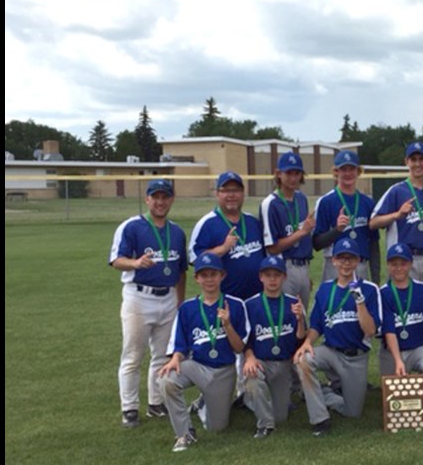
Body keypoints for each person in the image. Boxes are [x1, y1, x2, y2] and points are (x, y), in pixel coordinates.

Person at [109, 179, 188, 428]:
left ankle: (156, 403)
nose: (161, 201)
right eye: (156, 197)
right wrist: (135, 263)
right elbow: (115, 260)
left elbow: (182, 270)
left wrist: (180, 302)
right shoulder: (132, 226)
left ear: (172, 199)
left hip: (167, 297)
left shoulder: (176, 232)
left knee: (161, 356)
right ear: (147, 199)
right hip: (139, 297)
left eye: (165, 197)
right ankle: (129, 408)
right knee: (133, 356)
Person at [158, 252, 248, 452]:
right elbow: (180, 344)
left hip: (224, 370)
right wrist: (175, 359)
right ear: (196, 278)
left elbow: (239, 348)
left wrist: (227, 325)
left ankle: (202, 404)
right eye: (204, 275)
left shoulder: (235, 304)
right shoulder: (187, 308)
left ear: (222, 276)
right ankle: (184, 433)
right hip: (197, 365)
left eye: (213, 274)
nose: (209, 279)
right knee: (166, 380)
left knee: (217, 427)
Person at [293, 238, 382, 435]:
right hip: (330, 351)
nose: (346, 263)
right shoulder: (325, 289)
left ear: (358, 261)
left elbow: (370, 331)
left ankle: (326, 392)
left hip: (356, 356)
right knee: (303, 360)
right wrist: (306, 343)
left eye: (350, 259)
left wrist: (359, 301)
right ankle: (320, 420)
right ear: (333, 261)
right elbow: (316, 325)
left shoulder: (369, 289)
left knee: (353, 413)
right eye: (341, 258)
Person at [370, 141, 423, 350]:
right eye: (413, 159)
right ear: (406, 162)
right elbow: (373, 222)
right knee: (401, 310)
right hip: (404, 262)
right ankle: (395, 361)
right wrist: (397, 214)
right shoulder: (396, 191)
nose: (417, 164)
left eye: (421, 159)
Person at [242, 255, 307, 438]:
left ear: (284, 277)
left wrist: (300, 319)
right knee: (252, 376)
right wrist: (249, 357)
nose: (272, 279)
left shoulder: (293, 303)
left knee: (281, 417)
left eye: (276, 275)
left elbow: (300, 340)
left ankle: (251, 400)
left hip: (284, 364)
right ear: (261, 277)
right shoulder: (250, 304)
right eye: (268, 275)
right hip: (261, 361)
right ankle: (265, 425)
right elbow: (245, 340)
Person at [379, 243, 423, 394]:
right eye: (394, 264)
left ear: (411, 264)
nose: (399, 268)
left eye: (403, 263)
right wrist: (398, 361)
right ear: (388, 265)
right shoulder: (383, 293)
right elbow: (389, 331)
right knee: (395, 398)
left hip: (417, 349)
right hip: (390, 352)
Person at [188, 171, 264, 300]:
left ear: (243, 193)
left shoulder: (253, 222)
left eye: (236, 190)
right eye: (226, 190)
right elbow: (196, 259)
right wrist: (223, 248)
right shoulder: (207, 224)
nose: (231, 195)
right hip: (226, 300)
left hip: (256, 300)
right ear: (218, 193)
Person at [313, 150, 380, 284]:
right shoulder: (326, 201)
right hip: (335, 266)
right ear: (336, 172)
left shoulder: (367, 202)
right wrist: (337, 229)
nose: (348, 173)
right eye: (343, 169)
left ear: (358, 171)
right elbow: (317, 243)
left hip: (360, 265)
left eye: (352, 169)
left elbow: (373, 243)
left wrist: (376, 278)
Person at [259, 152, 314, 308]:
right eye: (288, 173)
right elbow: (272, 246)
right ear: (278, 174)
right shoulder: (270, 203)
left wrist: (305, 275)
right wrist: (301, 232)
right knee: (287, 317)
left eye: (297, 173)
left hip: (303, 264)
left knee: (302, 317)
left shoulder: (301, 198)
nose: (293, 178)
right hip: (283, 267)